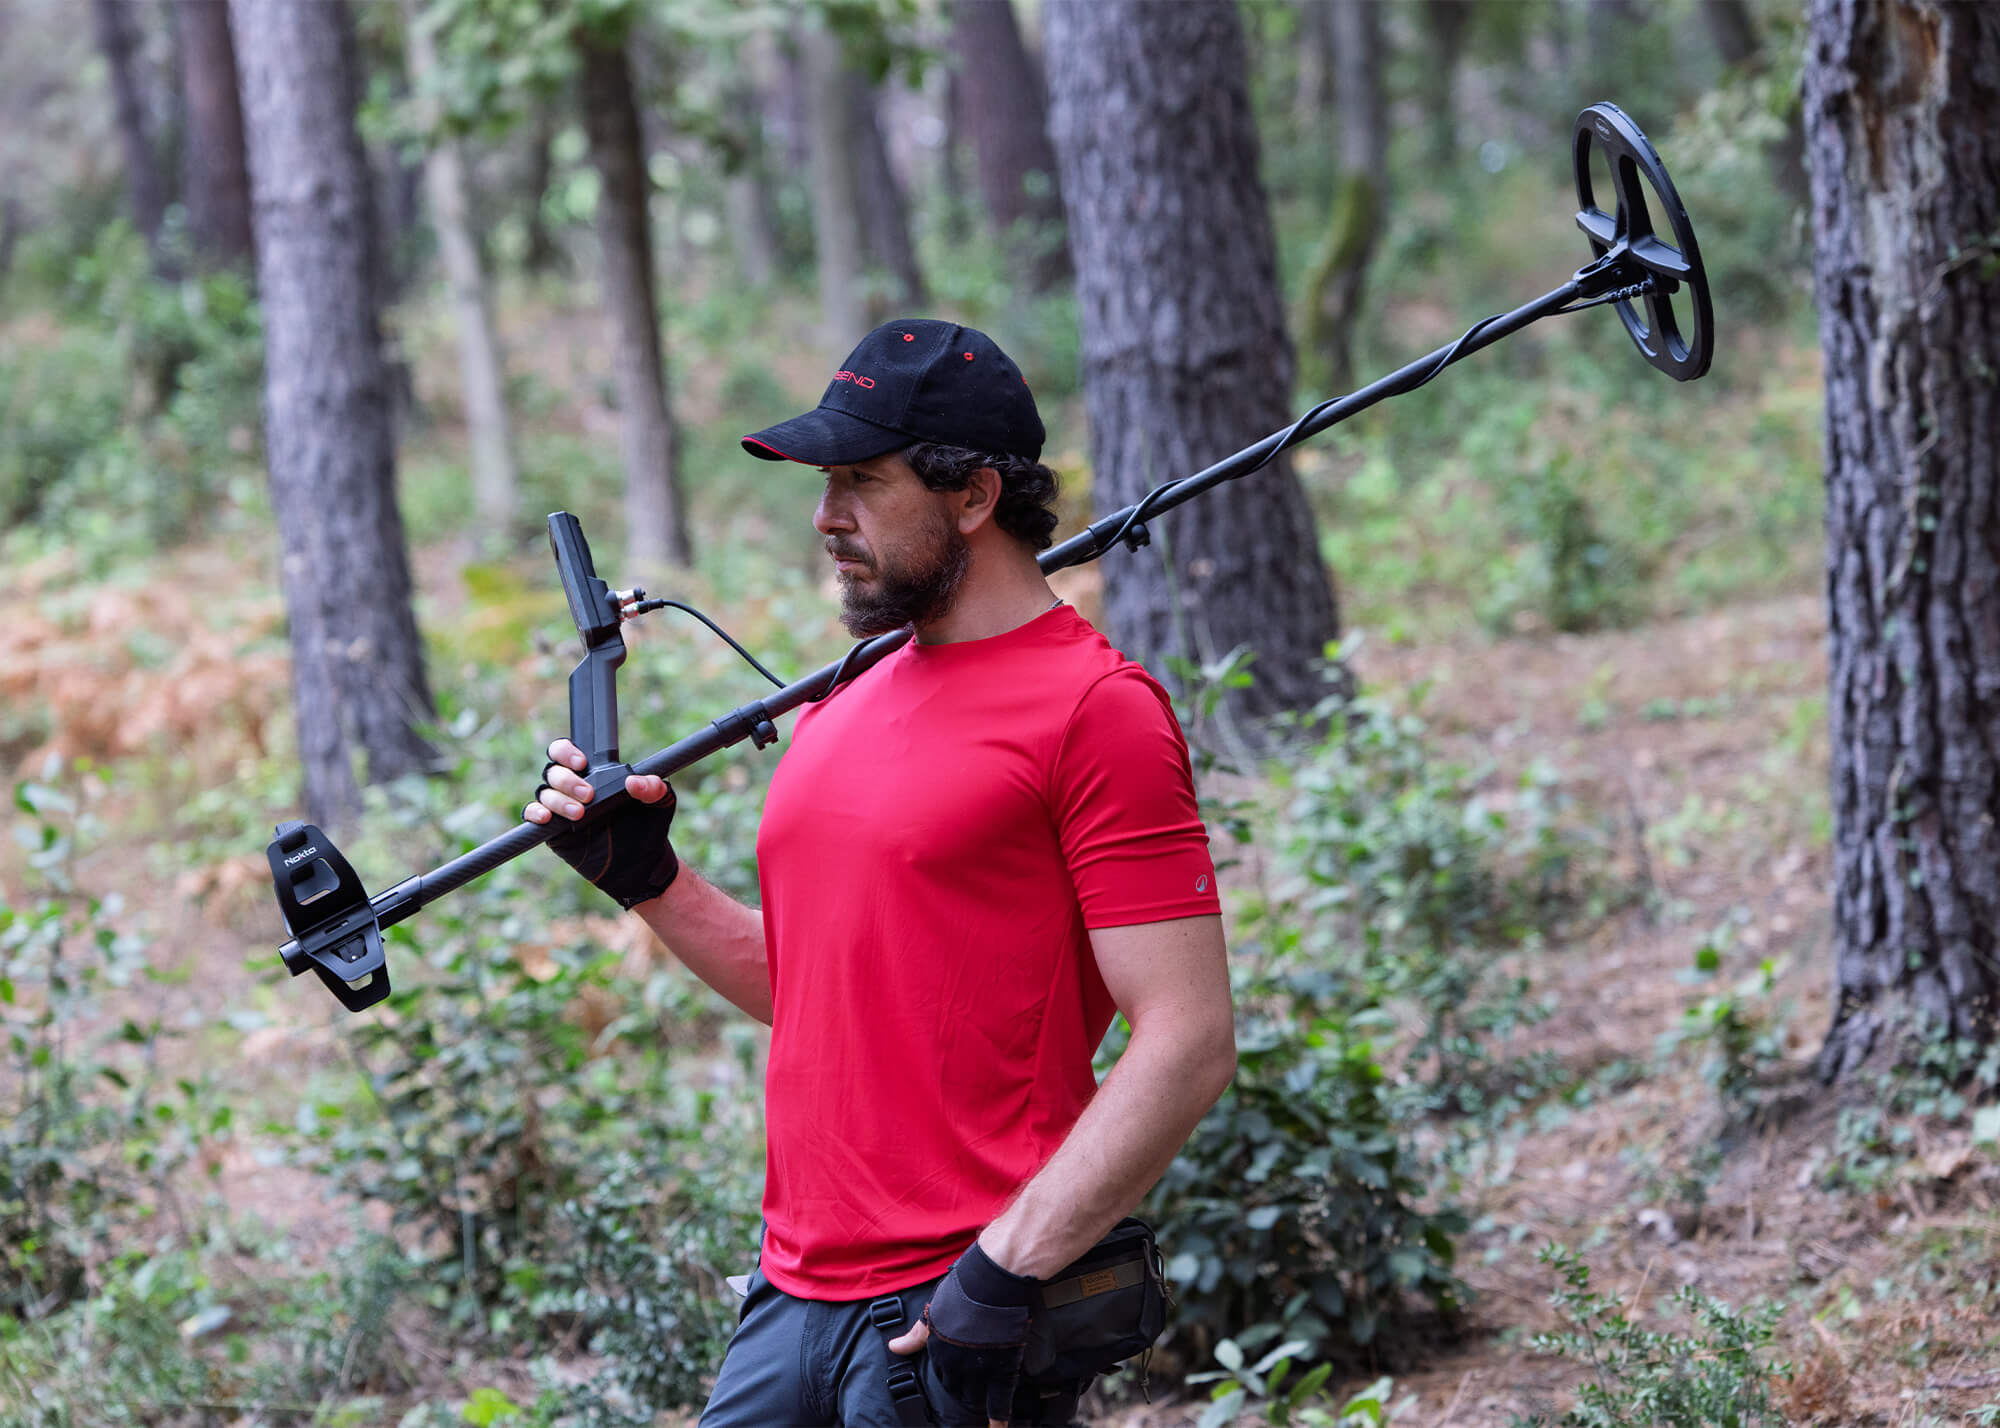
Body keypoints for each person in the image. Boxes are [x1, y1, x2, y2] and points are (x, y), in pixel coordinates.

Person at [525, 318, 1236, 1427]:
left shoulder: (1096, 711)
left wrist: (1004, 1269)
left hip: (957, 1298)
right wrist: (649, 878)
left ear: (974, 496)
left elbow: (1188, 1038)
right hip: (790, 1295)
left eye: (861, 480)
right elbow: (820, 993)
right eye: (824, 483)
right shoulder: (841, 700)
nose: (825, 516)